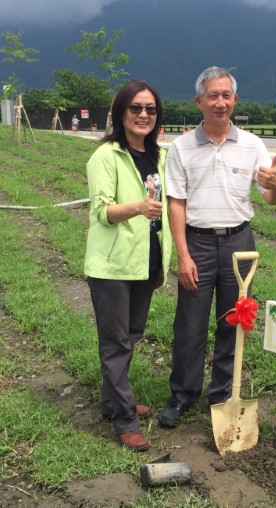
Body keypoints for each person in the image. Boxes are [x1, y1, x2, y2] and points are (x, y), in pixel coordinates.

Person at [159, 66, 276, 428]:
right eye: (212, 95)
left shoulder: (252, 145)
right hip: (196, 242)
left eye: (226, 95)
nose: (220, 102)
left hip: (239, 243)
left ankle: (223, 394)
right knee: (190, 323)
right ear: (199, 101)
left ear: (234, 100)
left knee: (235, 320)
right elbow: (176, 203)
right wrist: (182, 255)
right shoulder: (181, 148)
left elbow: (271, 197)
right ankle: (182, 394)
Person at [84, 80, 172, 450]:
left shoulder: (159, 156)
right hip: (112, 267)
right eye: (135, 108)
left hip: (145, 262)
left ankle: (111, 402)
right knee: (116, 343)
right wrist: (137, 206)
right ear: (122, 113)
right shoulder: (105, 156)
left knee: (130, 337)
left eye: (150, 109)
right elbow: (102, 212)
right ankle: (124, 418)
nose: (143, 115)